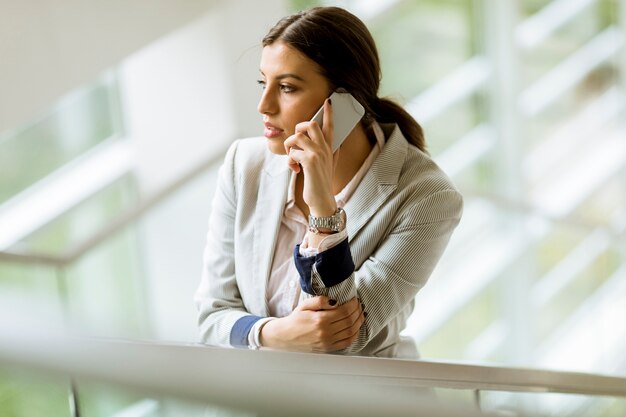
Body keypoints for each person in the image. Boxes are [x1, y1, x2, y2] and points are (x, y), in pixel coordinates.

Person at [194, 6, 463, 358]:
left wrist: (323, 210)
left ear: (344, 101)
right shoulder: (244, 165)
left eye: (287, 87)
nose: (263, 105)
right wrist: (273, 333)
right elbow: (211, 318)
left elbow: (345, 338)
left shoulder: (428, 198)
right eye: (264, 82)